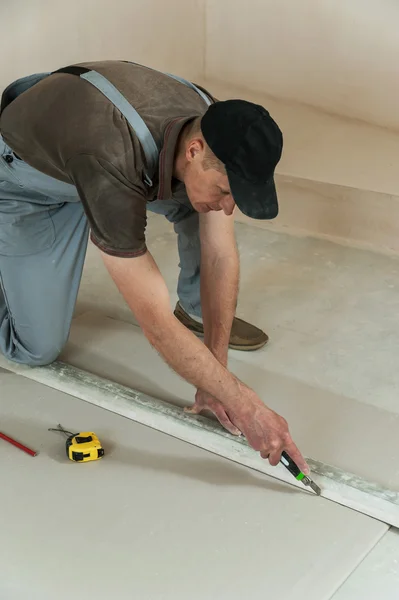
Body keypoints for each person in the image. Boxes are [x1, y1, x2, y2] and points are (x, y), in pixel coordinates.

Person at [0, 60, 308, 473]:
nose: (229, 205)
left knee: (202, 210)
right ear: (195, 151)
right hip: (28, 182)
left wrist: (214, 376)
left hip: (91, 160)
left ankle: (195, 312)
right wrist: (245, 404)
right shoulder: (111, 153)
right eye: (225, 190)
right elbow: (155, 322)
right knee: (36, 349)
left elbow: (218, 251)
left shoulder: (215, 126)